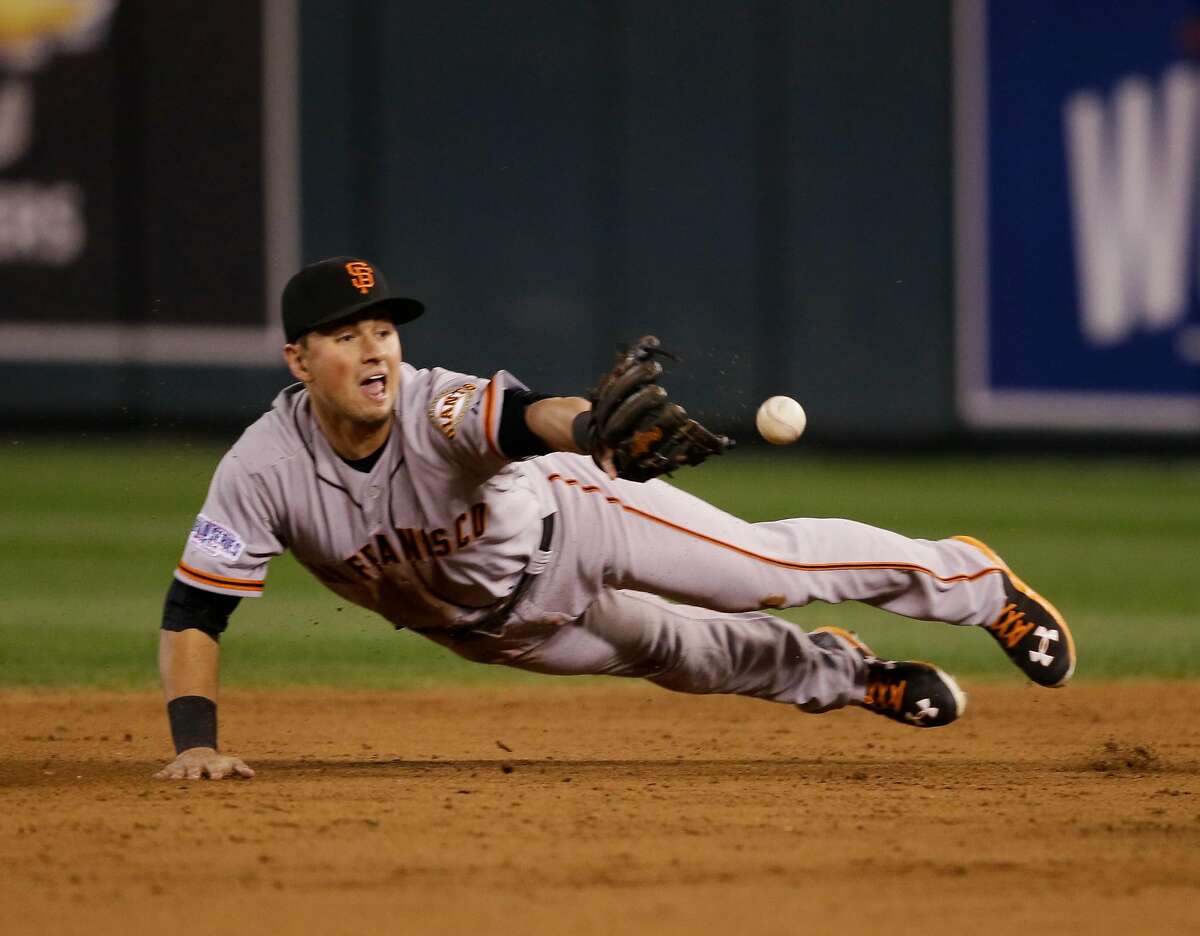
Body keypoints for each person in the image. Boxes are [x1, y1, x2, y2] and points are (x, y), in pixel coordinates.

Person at [154, 257, 1076, 781]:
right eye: (348, 333)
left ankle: (974, 581)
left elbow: (525, 418)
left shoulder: (434, 406)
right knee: (692, 657)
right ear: (297, 357)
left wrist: (593, 428)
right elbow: (197, 610)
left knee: (762, 570)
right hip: (497, 629)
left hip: (580, 514)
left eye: (384, 330)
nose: (375, 350)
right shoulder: (262, 469)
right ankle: (846, 675)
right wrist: (196, 747)